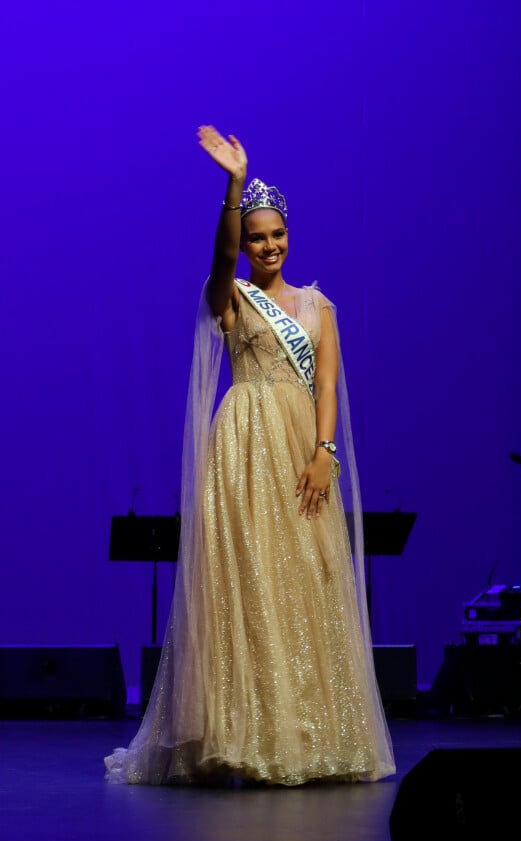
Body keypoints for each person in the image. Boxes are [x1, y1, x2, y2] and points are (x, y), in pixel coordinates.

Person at [104, 125, 396, 787]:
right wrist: (234, 187)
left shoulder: (319, 306)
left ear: (290, 235)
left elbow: (325, 385)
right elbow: (221, 260)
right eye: (257, 237)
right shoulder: (231, 296)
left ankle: (308, 734)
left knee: (301, 580)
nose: (266, 246)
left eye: (275, 235)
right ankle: (240, 735)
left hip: (299, 448)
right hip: (242, 445)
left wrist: (325, 453)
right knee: (247, 580)